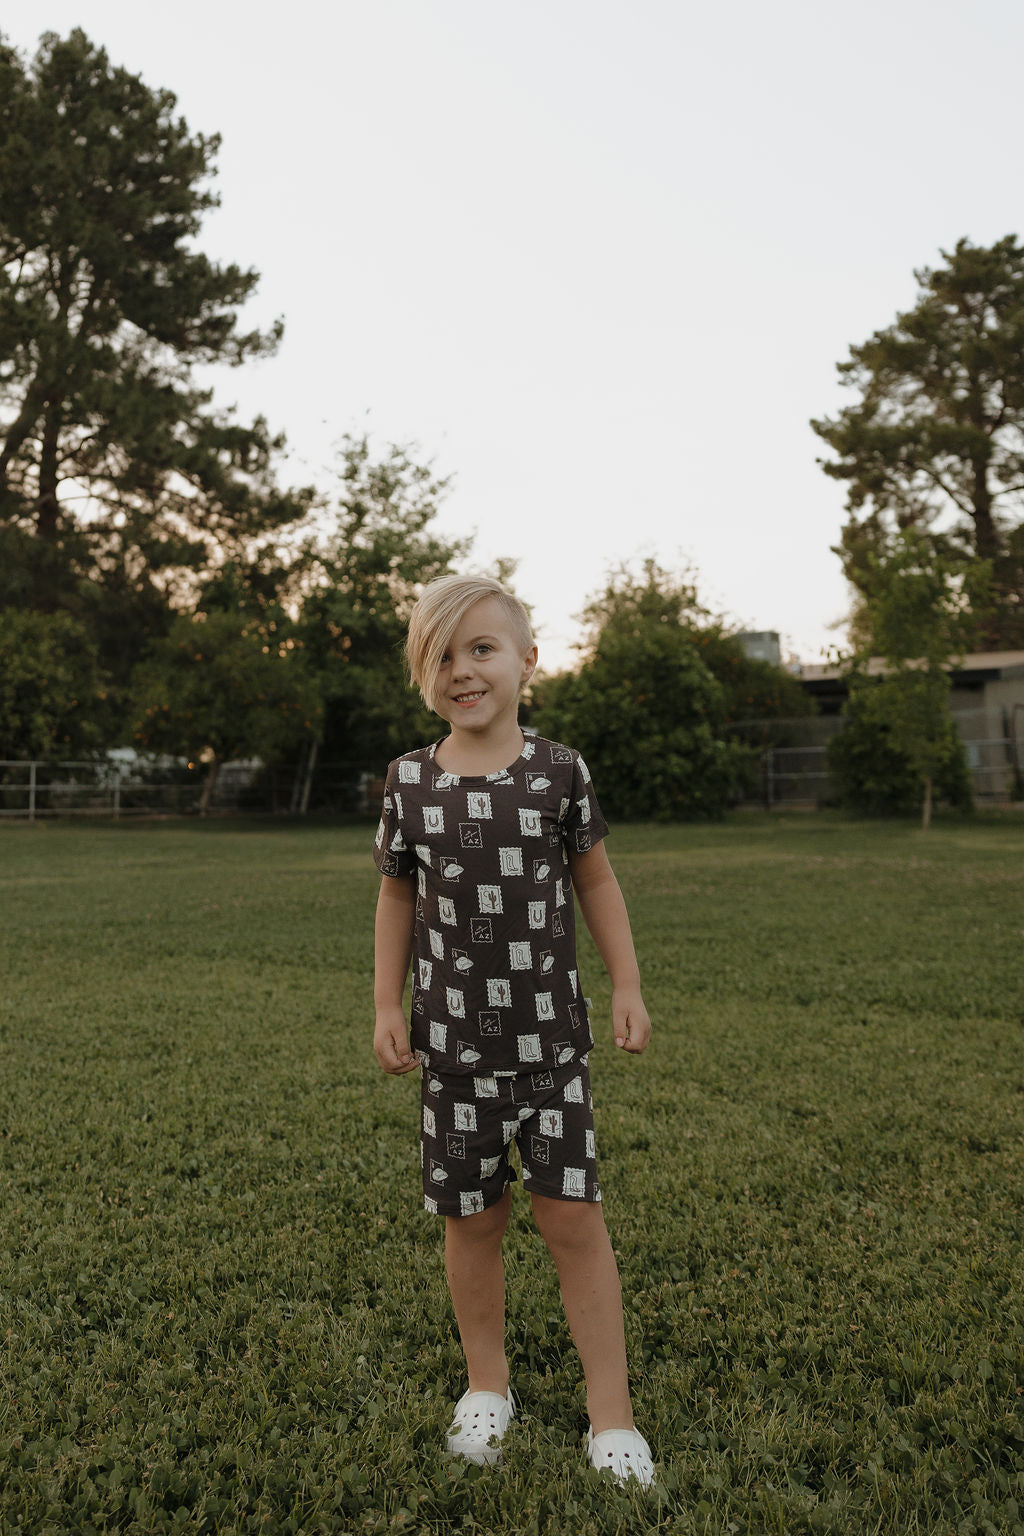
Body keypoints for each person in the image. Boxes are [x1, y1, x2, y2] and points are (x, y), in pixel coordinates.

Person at [372, 573, 654, 1487]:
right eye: (441, 654)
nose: (463, 670)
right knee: (472, 1223)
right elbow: (396, 896)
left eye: (481, 648)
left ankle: (611, 1415)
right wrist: (387, 1005)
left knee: (572, 1220)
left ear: (529, 661)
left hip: (552, 1055)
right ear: (424, 672)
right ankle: (486, 1387)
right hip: (452, 1057)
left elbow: (597, 884)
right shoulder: (410, 782)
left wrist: (627, 984)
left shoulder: (558, 772)